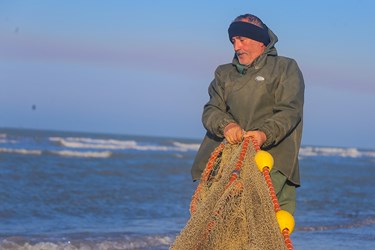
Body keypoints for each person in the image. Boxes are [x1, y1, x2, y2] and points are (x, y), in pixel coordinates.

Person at [191, 13, 304, 215]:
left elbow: (290, 110)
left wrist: (264, 134)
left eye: (242, 40)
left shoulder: (286, 68)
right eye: (233, 41)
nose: (236, 47)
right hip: (223, 163)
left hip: (271, 162)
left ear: (260, 40)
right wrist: (227, 126)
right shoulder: (223, 73)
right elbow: (211, 110)